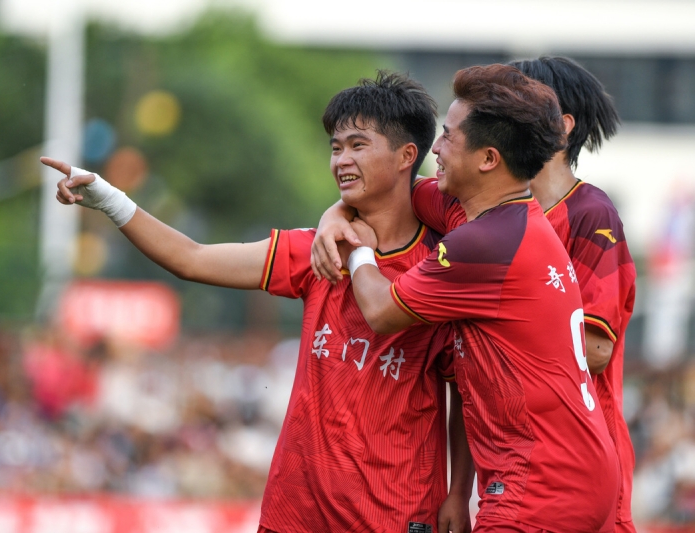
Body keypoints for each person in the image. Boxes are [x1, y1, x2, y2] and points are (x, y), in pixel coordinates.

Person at [43, 72, 474, 533]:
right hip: (295, 514)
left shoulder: (443, 266)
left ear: (408, 155)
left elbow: (464, 394)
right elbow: (192, 258)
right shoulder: (315, 250)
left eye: (358, 145)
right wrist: (109, 198)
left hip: (395, 514)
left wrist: (458, 493)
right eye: (335, 147)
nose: (341, 160)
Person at [313, 57, 637, 532]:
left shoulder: (502, 236)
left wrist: (359, 249)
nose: (435, 149)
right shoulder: (504, 215)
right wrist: (335, 214)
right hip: (559, 462)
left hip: (543, 473)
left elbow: (381, 311)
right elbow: (390, 192)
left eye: (448, 136)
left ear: (490, 157)